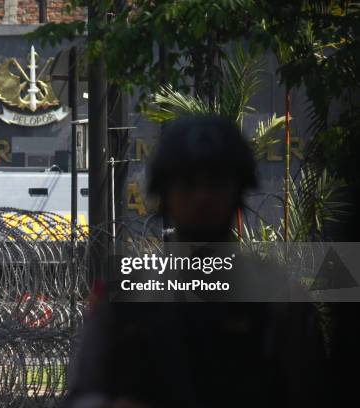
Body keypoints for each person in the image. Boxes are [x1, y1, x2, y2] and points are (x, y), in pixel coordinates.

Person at [65, 116, 328, 408]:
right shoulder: (128, 295)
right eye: (188, 184)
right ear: (165, 194)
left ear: (237, 191)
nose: (202, 198)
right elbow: (82, 392)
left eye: (216, 182)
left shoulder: (280, 298)